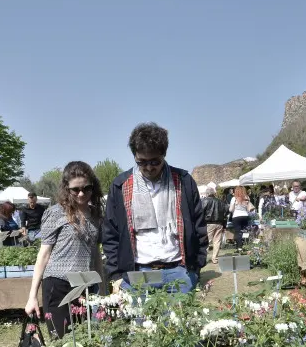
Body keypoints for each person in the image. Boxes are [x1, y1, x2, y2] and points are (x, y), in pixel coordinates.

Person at [103, 122, 208, 293]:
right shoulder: (121, 185)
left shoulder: (183, 181)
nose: (149, 167)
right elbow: (111, 233)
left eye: (155, 161)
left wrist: (195, 267)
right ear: (135, 156)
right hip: (137, 273)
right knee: (141, 320)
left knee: (180, 320)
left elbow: (199, 226)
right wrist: (116, 275)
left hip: (179, 271)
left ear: (164, 154)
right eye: (142, 162)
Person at [25, 161, 103, 339]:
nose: (81, 193)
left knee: (87, 339)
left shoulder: (96, 214)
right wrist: (32, 296)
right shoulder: (56, 213)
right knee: (62, 341)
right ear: (67, 189)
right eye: (75, 189)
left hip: (86, 286)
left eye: (87, 188)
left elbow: (96, 252)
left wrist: (102, 287)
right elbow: (43, 255)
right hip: (58, 284)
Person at [201, 186, 228, 264]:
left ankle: (204, 258)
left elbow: (201, 212)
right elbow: (226, 212)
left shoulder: (204, 201)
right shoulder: (221, 202)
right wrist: (224, 224)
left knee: (207, 242)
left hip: (209, 223)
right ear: (214, 193)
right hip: (219, 223)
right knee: (217, 242)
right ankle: (215, 258)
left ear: (207, 193)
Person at [228, 186, 255, 250]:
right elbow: (249, 209)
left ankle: (239, 247)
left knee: (238, 232)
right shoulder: (247, 198)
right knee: (245, 231)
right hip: (245, 216)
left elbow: (231, 210)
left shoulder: (234, 198)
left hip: (236, 216)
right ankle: (245, 245)